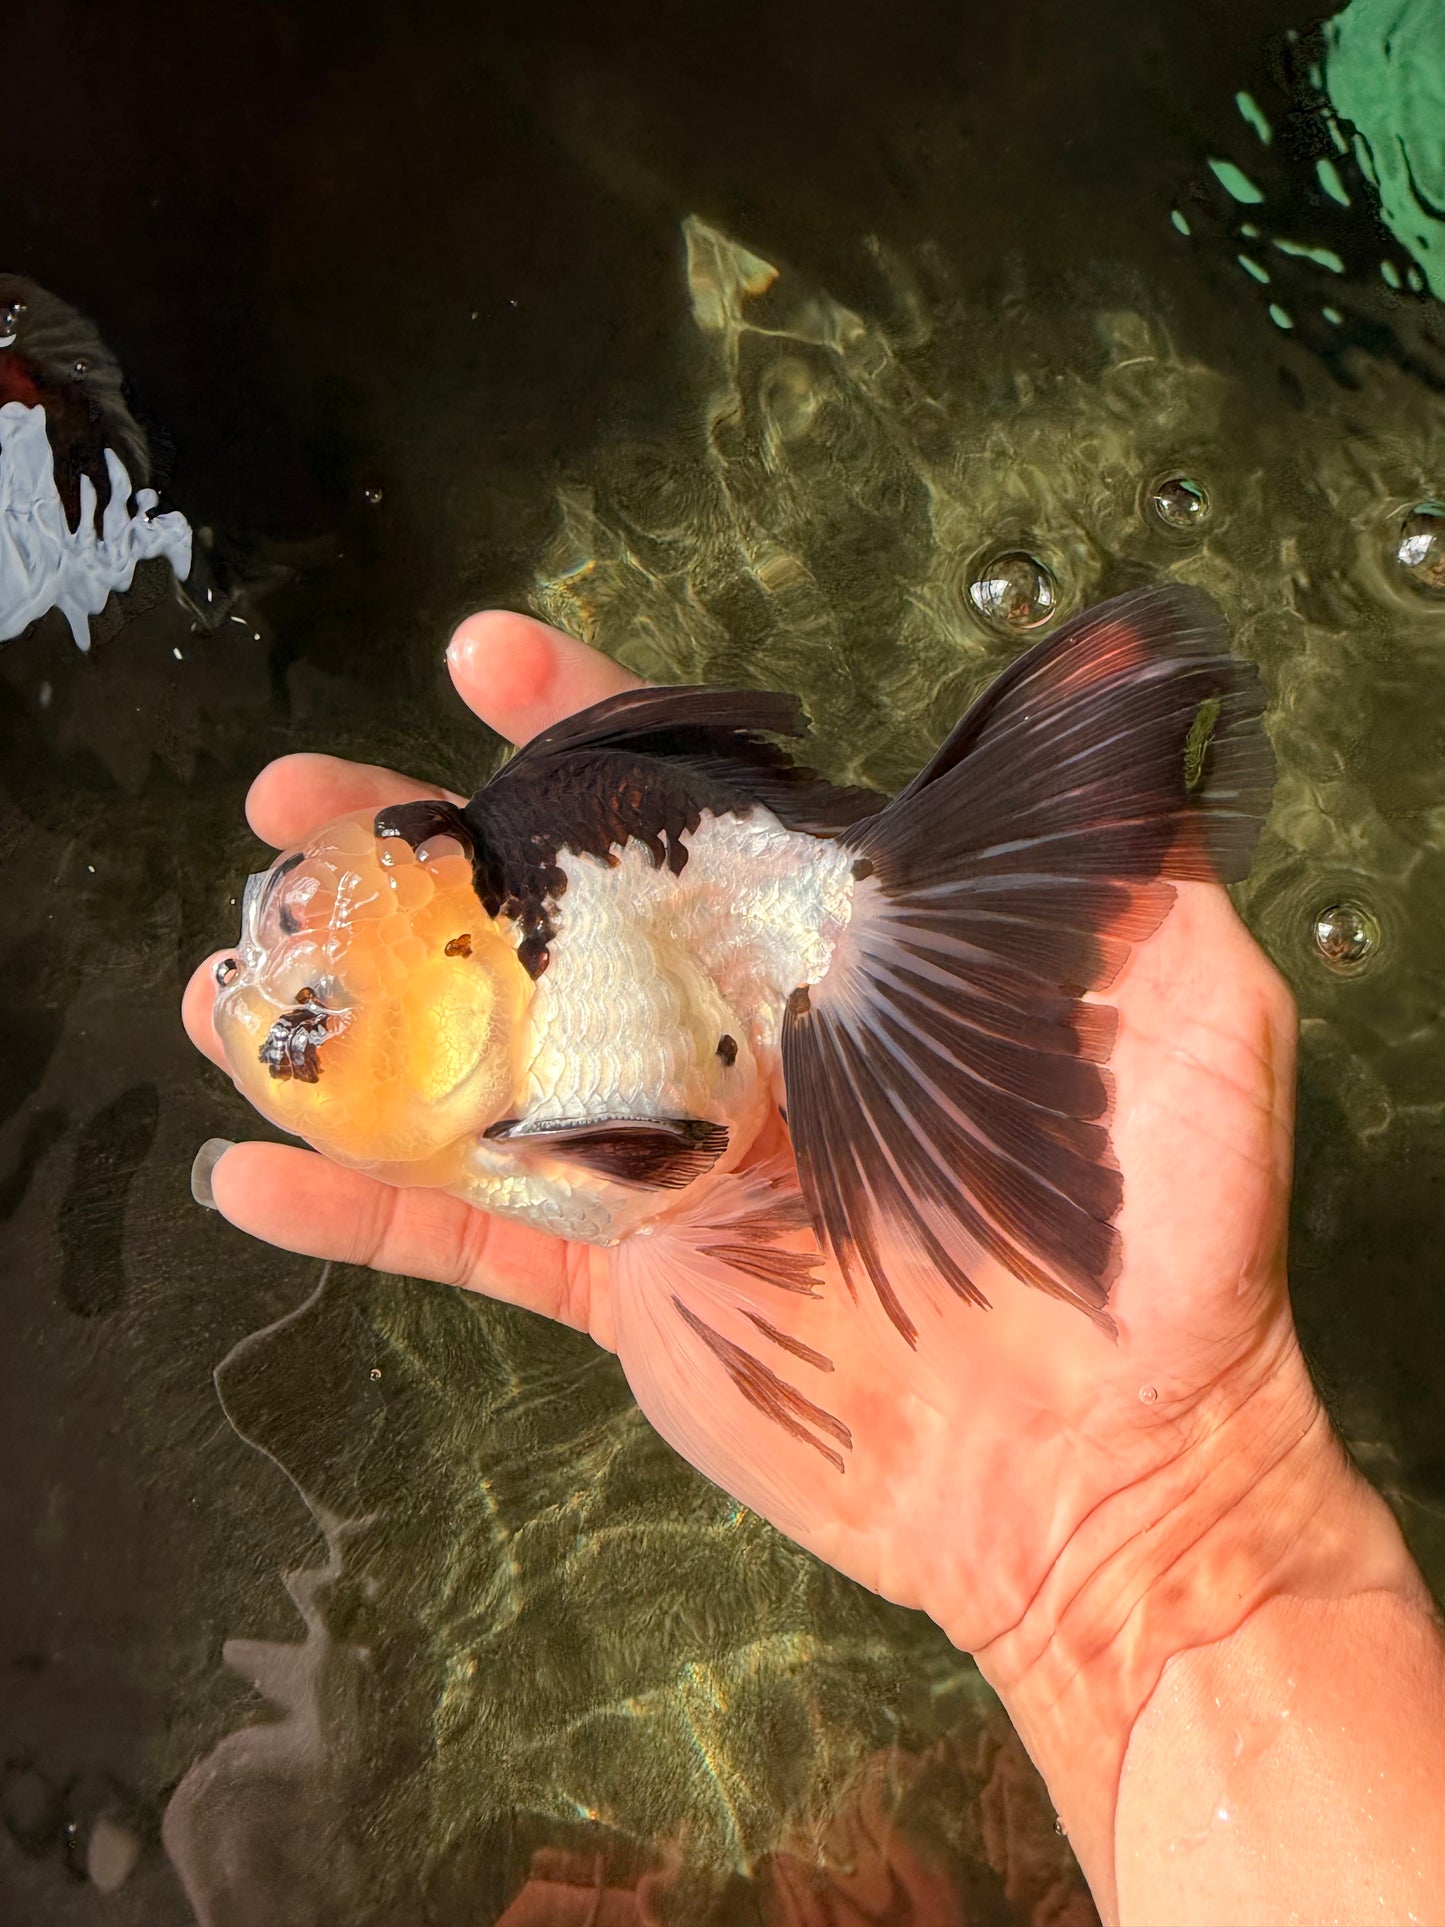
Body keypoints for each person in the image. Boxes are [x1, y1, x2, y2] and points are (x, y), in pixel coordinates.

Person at [184, 610, 1445, 1927]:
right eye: (296, 1005)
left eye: (316, 1009)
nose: (270, 1004)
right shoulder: (498, 1110)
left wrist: (1171, 1507)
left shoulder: (532, 1087)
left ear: (459, 957)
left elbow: (656, 1177)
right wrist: (1170, 1531)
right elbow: (659, 1184)